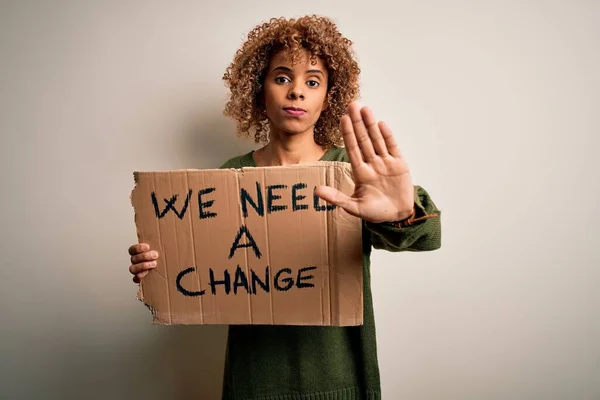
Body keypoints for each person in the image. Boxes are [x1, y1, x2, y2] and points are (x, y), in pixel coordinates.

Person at [128, 15, 441, 400]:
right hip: (254, 384)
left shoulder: (350, 170)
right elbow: (203, 270)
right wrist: (159, 265)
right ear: (260, 90)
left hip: (340, 381)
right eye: (281, 78)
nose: (296, 92)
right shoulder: (230, 176)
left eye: (312, 81)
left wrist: (400, 213)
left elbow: (427, 237)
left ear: (328, 97)